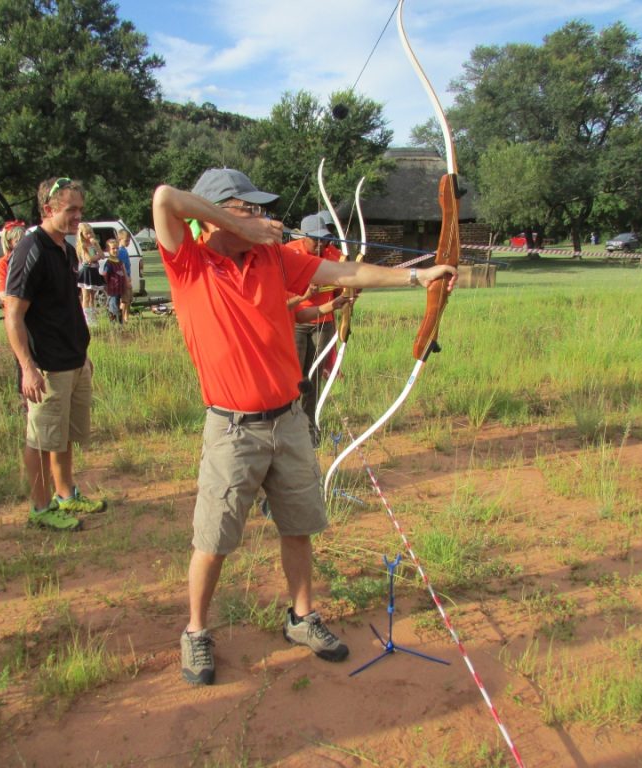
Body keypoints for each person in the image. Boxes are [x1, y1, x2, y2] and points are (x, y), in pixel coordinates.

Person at [151, 168, 457, 686]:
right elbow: (165, 198)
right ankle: (197, 632)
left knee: (298, 526)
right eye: (251, 208)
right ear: (220, 212)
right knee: (215, 538)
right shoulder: (190, 263)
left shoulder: (272, 257)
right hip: (232, 429)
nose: (264, 217)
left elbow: (340, 272)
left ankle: (301, 617)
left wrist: (415, 276)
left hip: (288, 419)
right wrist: (236, 225)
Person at [3, 177, 108, 531]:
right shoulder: (30, 249)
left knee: (62, 436)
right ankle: (40, 507)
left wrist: (82, 354)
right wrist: (27, 368)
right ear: (48, 210)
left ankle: (66, 495)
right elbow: (13, 315)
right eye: (70, 210)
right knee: (40, 439)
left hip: (73, 360)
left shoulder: (64, 248)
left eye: (80, 209)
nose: (78, 216)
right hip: (46, 365)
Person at [289, 214, 345, 446]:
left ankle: (310, 430)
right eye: (316, 240)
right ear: (304, 237)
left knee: (312, 378)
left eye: (325, 239)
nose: (322, 245)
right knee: (294, 378)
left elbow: (347, 284)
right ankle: (291, 428)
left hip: (324, 322)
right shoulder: (290, 253)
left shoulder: (334, 255)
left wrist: (349, 291)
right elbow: (281, 297)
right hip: (297, 322)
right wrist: (305, 292)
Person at [0, 220, 27, 405]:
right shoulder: (4, 263)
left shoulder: (31, 258)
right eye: (17, 240)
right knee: (21, 358)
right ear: (9, 242)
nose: (21, 244)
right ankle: (23, 397)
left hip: (34, 316)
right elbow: (4, 295)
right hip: (17, 317)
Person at [76, 222, 103, 326]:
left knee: (93, 296)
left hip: (94, 270)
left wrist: (96, 245)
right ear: (81, 234)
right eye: (87, 233)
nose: (90, 235)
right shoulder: (82, 245)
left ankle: (93, 317)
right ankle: (86, 318)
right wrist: (96, 257)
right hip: (86, 271)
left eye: (91, 233)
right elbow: (88, 259)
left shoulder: (93, 244)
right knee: (86, 295)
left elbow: (102, 255)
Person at [100, 237, 127, 324]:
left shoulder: (119, 262)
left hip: (120, 290)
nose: (115, 250)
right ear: (108, 250)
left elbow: (123, 274)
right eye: (113, 248)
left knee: (119, 307)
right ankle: (114, 325)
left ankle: (120, 324)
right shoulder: (108, 263)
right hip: (113, 291)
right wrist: (106, 287)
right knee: (113, 308)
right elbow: (105, 276)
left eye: (117, 248)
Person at [116, 229, 136, 323]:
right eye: (126, 240)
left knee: (128, 299)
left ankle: (126, 317)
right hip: (124, 279)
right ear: (120, 239)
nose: (128, 242)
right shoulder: (120, 251)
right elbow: (121, 266)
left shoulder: (124, 250)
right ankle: (122, 318)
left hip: (127, 277)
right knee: (124, 300)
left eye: (129, 240)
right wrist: (126, 279)